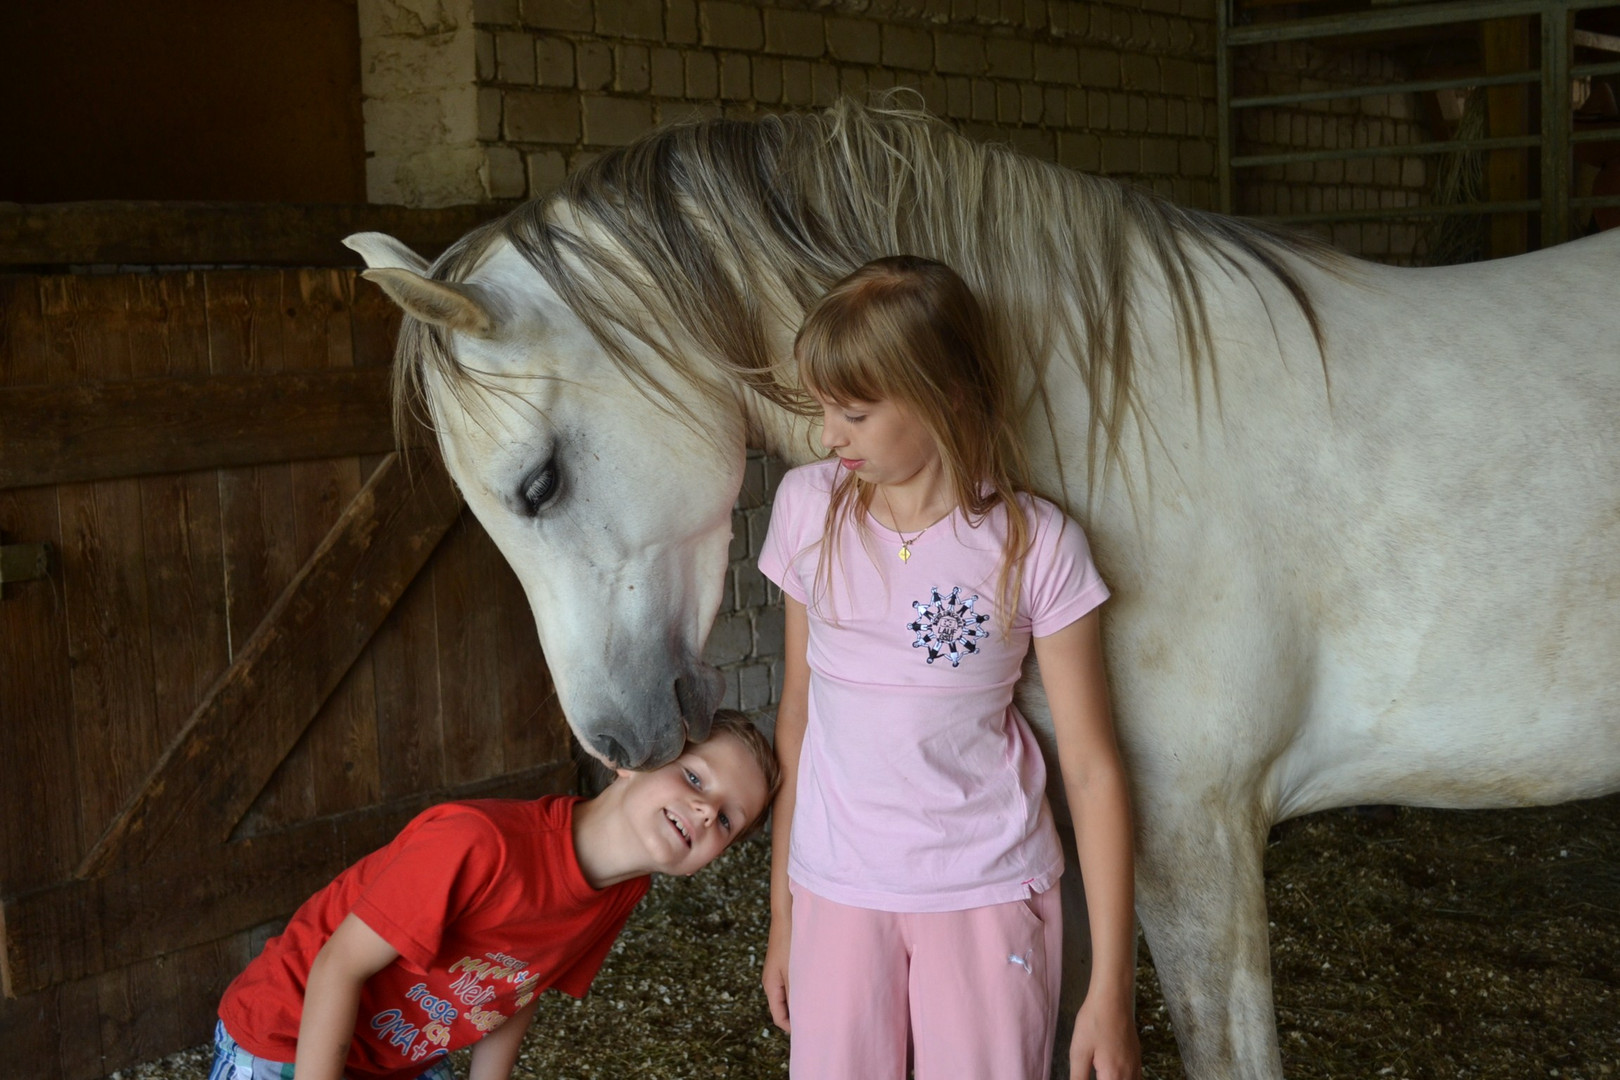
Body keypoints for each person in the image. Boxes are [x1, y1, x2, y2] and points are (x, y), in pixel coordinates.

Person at [758, 256, 1140, 1080]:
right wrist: (784, 912)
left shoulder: (1036, 544)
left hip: (984, 892)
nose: (829, 435)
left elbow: (1092, 767)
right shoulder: (804, 510)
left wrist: (1111, 986)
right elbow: (799, 714)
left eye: (854, 412)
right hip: (837, 891)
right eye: (823, 408)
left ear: (945, 394)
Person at [212, 710, 779, 1080]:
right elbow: (336, 968)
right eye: (696, 778)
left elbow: (517, 985)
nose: (707, 811)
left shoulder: (621, 893)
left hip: (398, 1058)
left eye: (728, 820)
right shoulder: (480, 844)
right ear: (631, 760)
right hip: (289, 1032)